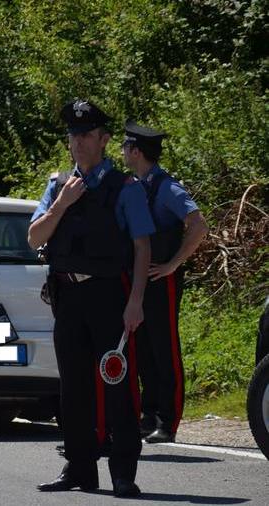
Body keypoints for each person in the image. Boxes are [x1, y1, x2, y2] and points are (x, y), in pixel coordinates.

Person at [29, 99, 155, 498]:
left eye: (85, 135)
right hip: (67, 294)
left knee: (116, 383)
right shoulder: (57, 186)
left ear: (103, 140)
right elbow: (34, 237)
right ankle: (80, 468)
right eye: (73, 135)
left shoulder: (125, 188)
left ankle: (123, 472)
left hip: (107, 296)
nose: (78, 142)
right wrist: (62, 204)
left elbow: (141, 248)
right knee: (74, 386)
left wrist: (135, 301)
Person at [122, 121, 208, 443]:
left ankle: (167, 421)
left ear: (136, 151)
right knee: (142, 346)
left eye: (125, 146)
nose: (121, 151)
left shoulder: (167, 188)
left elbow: (199, 225)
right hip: (138, 279)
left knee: (165, 347)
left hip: (162, 279)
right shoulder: (134, 184)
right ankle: (148, 414)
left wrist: (174, 264)